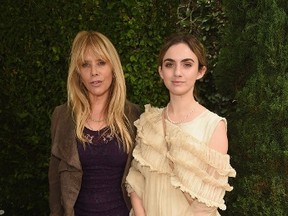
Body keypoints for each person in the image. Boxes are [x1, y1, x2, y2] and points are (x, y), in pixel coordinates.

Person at [126, 33, 236, 216]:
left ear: (200, 71)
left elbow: (206, 203)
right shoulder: (148, 122)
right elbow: (136, 179)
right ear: (161, 71)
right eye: (169, 64)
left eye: (187, 64)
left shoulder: (213, 126)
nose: (177, 72)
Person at [48, 31, 142, 216]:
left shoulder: (135, 117)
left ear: (113, 68)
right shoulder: (62, 117)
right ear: (78, 72)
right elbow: (55, 182)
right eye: (85, 65)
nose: (94, 72)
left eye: (101, 62)